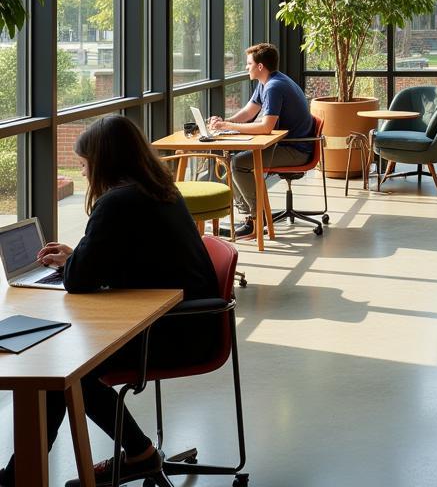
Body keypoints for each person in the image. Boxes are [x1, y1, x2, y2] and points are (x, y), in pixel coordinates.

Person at [0, 116, 219, 487]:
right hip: (193, 322)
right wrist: (78, 257)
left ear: (103, 162)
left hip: (175, 333)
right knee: (66, 371)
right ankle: (24, 474)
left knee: (69, 372)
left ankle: (19, 477)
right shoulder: (158, 189)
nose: (84, 175)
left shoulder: (118, 202)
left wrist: (76, 264)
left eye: (84, 166)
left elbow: (80, 282)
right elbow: (134, 258)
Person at [209, 42, 316, 238]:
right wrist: (225, 123)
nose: (246, 67)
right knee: (237, 162)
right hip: (286, 145)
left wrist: (229, 127)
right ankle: (252, 217)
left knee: (239, 163)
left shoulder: (274, 87)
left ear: (260, 67)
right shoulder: (267, 82)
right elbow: (249, 111)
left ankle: (256, 219)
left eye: (249, 63)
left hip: (296, 151)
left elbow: (266, 127)